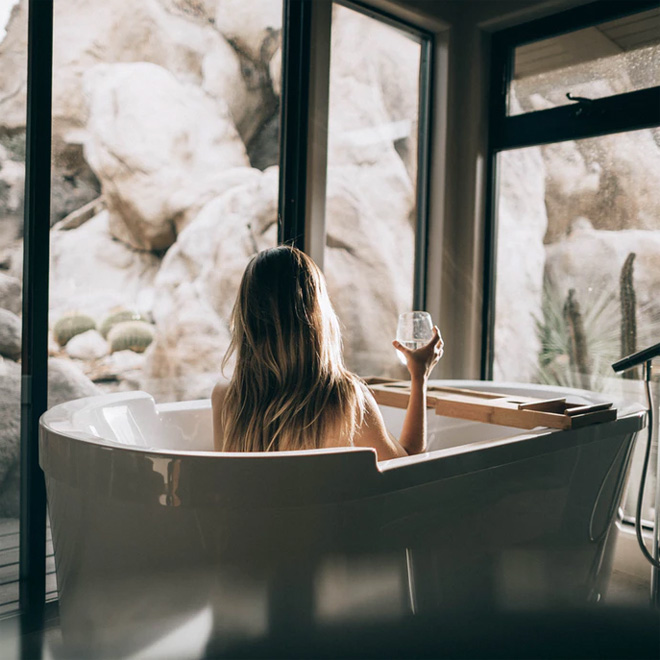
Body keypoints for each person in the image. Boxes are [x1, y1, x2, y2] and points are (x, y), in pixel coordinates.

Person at [212, 246, 443, 461]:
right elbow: (406, 469)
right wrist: (419, 376)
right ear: (317, 317)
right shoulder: (345, 398)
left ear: (246, 319)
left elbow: (229, 482)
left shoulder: (226, 398)